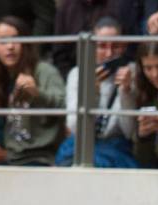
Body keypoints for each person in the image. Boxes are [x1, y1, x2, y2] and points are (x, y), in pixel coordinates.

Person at [0, 17, 67, 166]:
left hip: (43, 160)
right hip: (12, 159)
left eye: (16, 39)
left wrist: (37, 94)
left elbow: (63, 107)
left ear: (26, 44)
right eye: (2, 41)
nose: (10, 46)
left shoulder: (45, 71)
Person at [58, 16, 138, 168]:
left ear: (124, 46)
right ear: (92, 47)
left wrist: (126, 91)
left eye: (115, 46)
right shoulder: (77, 73)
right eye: (102, 46)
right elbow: (75, 127)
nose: (109, 54)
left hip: (116, 149)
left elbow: (129, 132)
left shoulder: (132, 72)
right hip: (81, 146)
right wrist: (91, 93)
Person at [51, 0, 140, 78]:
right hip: (75, 74)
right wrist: (76, 79)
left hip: (116, 76)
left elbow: (129, 46)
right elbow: (60, 53)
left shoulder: (118, 5)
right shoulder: (66, 7)